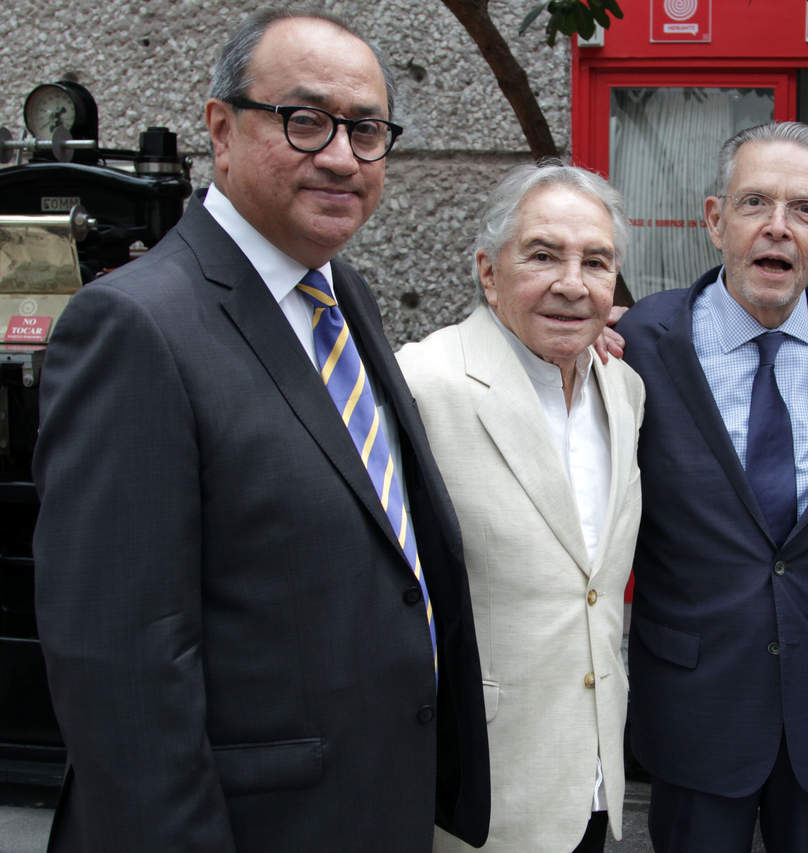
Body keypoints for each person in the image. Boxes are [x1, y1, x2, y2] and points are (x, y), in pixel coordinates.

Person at [32, 11, 489, 852]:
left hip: (366, 802)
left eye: (367, 129)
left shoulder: (340, 292)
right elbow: (121, 672)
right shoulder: (136, 327)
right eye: (305, 121)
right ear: (221, 130)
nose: (343, 157)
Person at [616, 122, 808, 853]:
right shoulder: (641, 342)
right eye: (754, 203)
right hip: (694, 700)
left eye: (804, 210)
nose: (778, 228)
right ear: (715, 221)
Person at [397, 162, 644, 853]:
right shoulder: (421, 383)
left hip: (594, 779)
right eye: (542, 255)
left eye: (596, 261)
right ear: (487, 270)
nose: (573, 282)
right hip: (479, 796)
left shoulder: (624, 390)